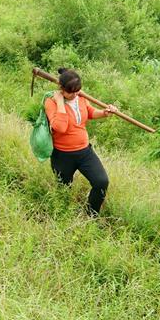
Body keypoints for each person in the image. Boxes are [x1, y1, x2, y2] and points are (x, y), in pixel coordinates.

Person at [44, 68, 118, 217]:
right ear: (61, 89)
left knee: (101, 182)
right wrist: (60, 102)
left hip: (84, 152)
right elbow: (60, 127)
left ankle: (91, 216)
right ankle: (62, 218)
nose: (75, 95)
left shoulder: (80, 97)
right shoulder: (51, 102)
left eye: (78, 91)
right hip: (62, 155)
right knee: (64, 190)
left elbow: (90, 112)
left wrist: (104, 113)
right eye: (71, 92)